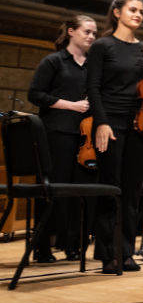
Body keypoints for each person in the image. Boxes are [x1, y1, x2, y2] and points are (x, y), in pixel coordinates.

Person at [86, 0, 143, 274]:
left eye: (141, 11)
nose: (138, 15)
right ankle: (108, 253)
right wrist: (101, 123)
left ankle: (126, 252)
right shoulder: (102, 46)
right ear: (117, 12)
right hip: (110, 124)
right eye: (132, 10)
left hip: (139, 126)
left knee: (132, 193)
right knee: (110, 190)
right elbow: (93, 88)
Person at [27, 14, 98, 262]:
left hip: (85, 138)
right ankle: (42, 247)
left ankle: (73, 246)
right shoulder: (54, 62)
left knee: (79, 194)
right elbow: (35, 94)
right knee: (52, 190)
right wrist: (71, 105)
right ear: (71, 31)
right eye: (86, 31)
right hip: (56, 133)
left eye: (93, 33)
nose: (91, 36)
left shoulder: (93, 67)